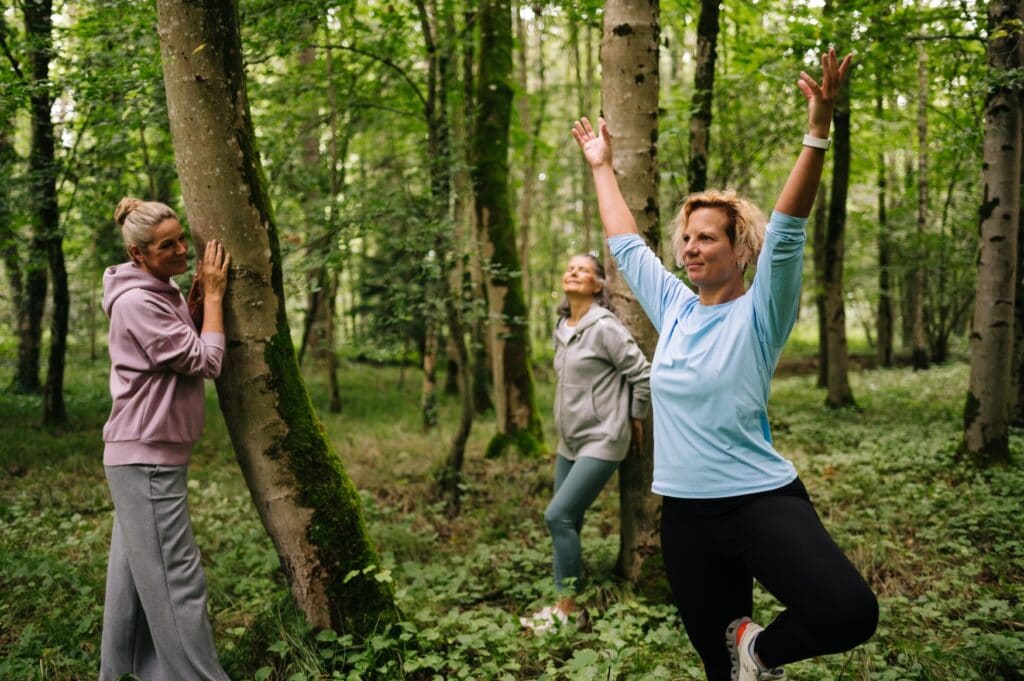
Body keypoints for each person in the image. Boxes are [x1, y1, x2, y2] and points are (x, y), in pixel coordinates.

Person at [572, 49, 877, 680]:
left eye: (706, 237)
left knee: (848, 611)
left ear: (740, 251)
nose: (690, 247)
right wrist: (601, 165)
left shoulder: (761, 311)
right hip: (685, 516)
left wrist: (817, 130)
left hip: (759, 500)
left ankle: (759, 651)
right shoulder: (676, 308)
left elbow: (788, 228)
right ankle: (743, 659)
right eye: (686, 238)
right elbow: (625, 244)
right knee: (721, 671)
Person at [99, 197, 233, 681]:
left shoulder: (161, 289)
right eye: (167, 246)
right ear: (138, 254)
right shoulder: (137, 302)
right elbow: (206, 362)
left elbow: (179, 348)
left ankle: (119, 674)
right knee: (178, 583)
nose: (182, 250)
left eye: (181, 239)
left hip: (145, 455)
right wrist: (213, 298)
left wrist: (193, 309)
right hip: (146, 461)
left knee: (132, 586)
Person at [520, 254, 651, 633]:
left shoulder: (605, 327)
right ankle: (564, 605)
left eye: (584, 269)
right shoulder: (562, 327)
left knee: (557, 516)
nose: (574, 272)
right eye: (570, 268)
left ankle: (568, 610)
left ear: (598, 285)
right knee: (569, 521)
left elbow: (642, 374)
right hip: (570, 441)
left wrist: (635, 416)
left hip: (604, 438)